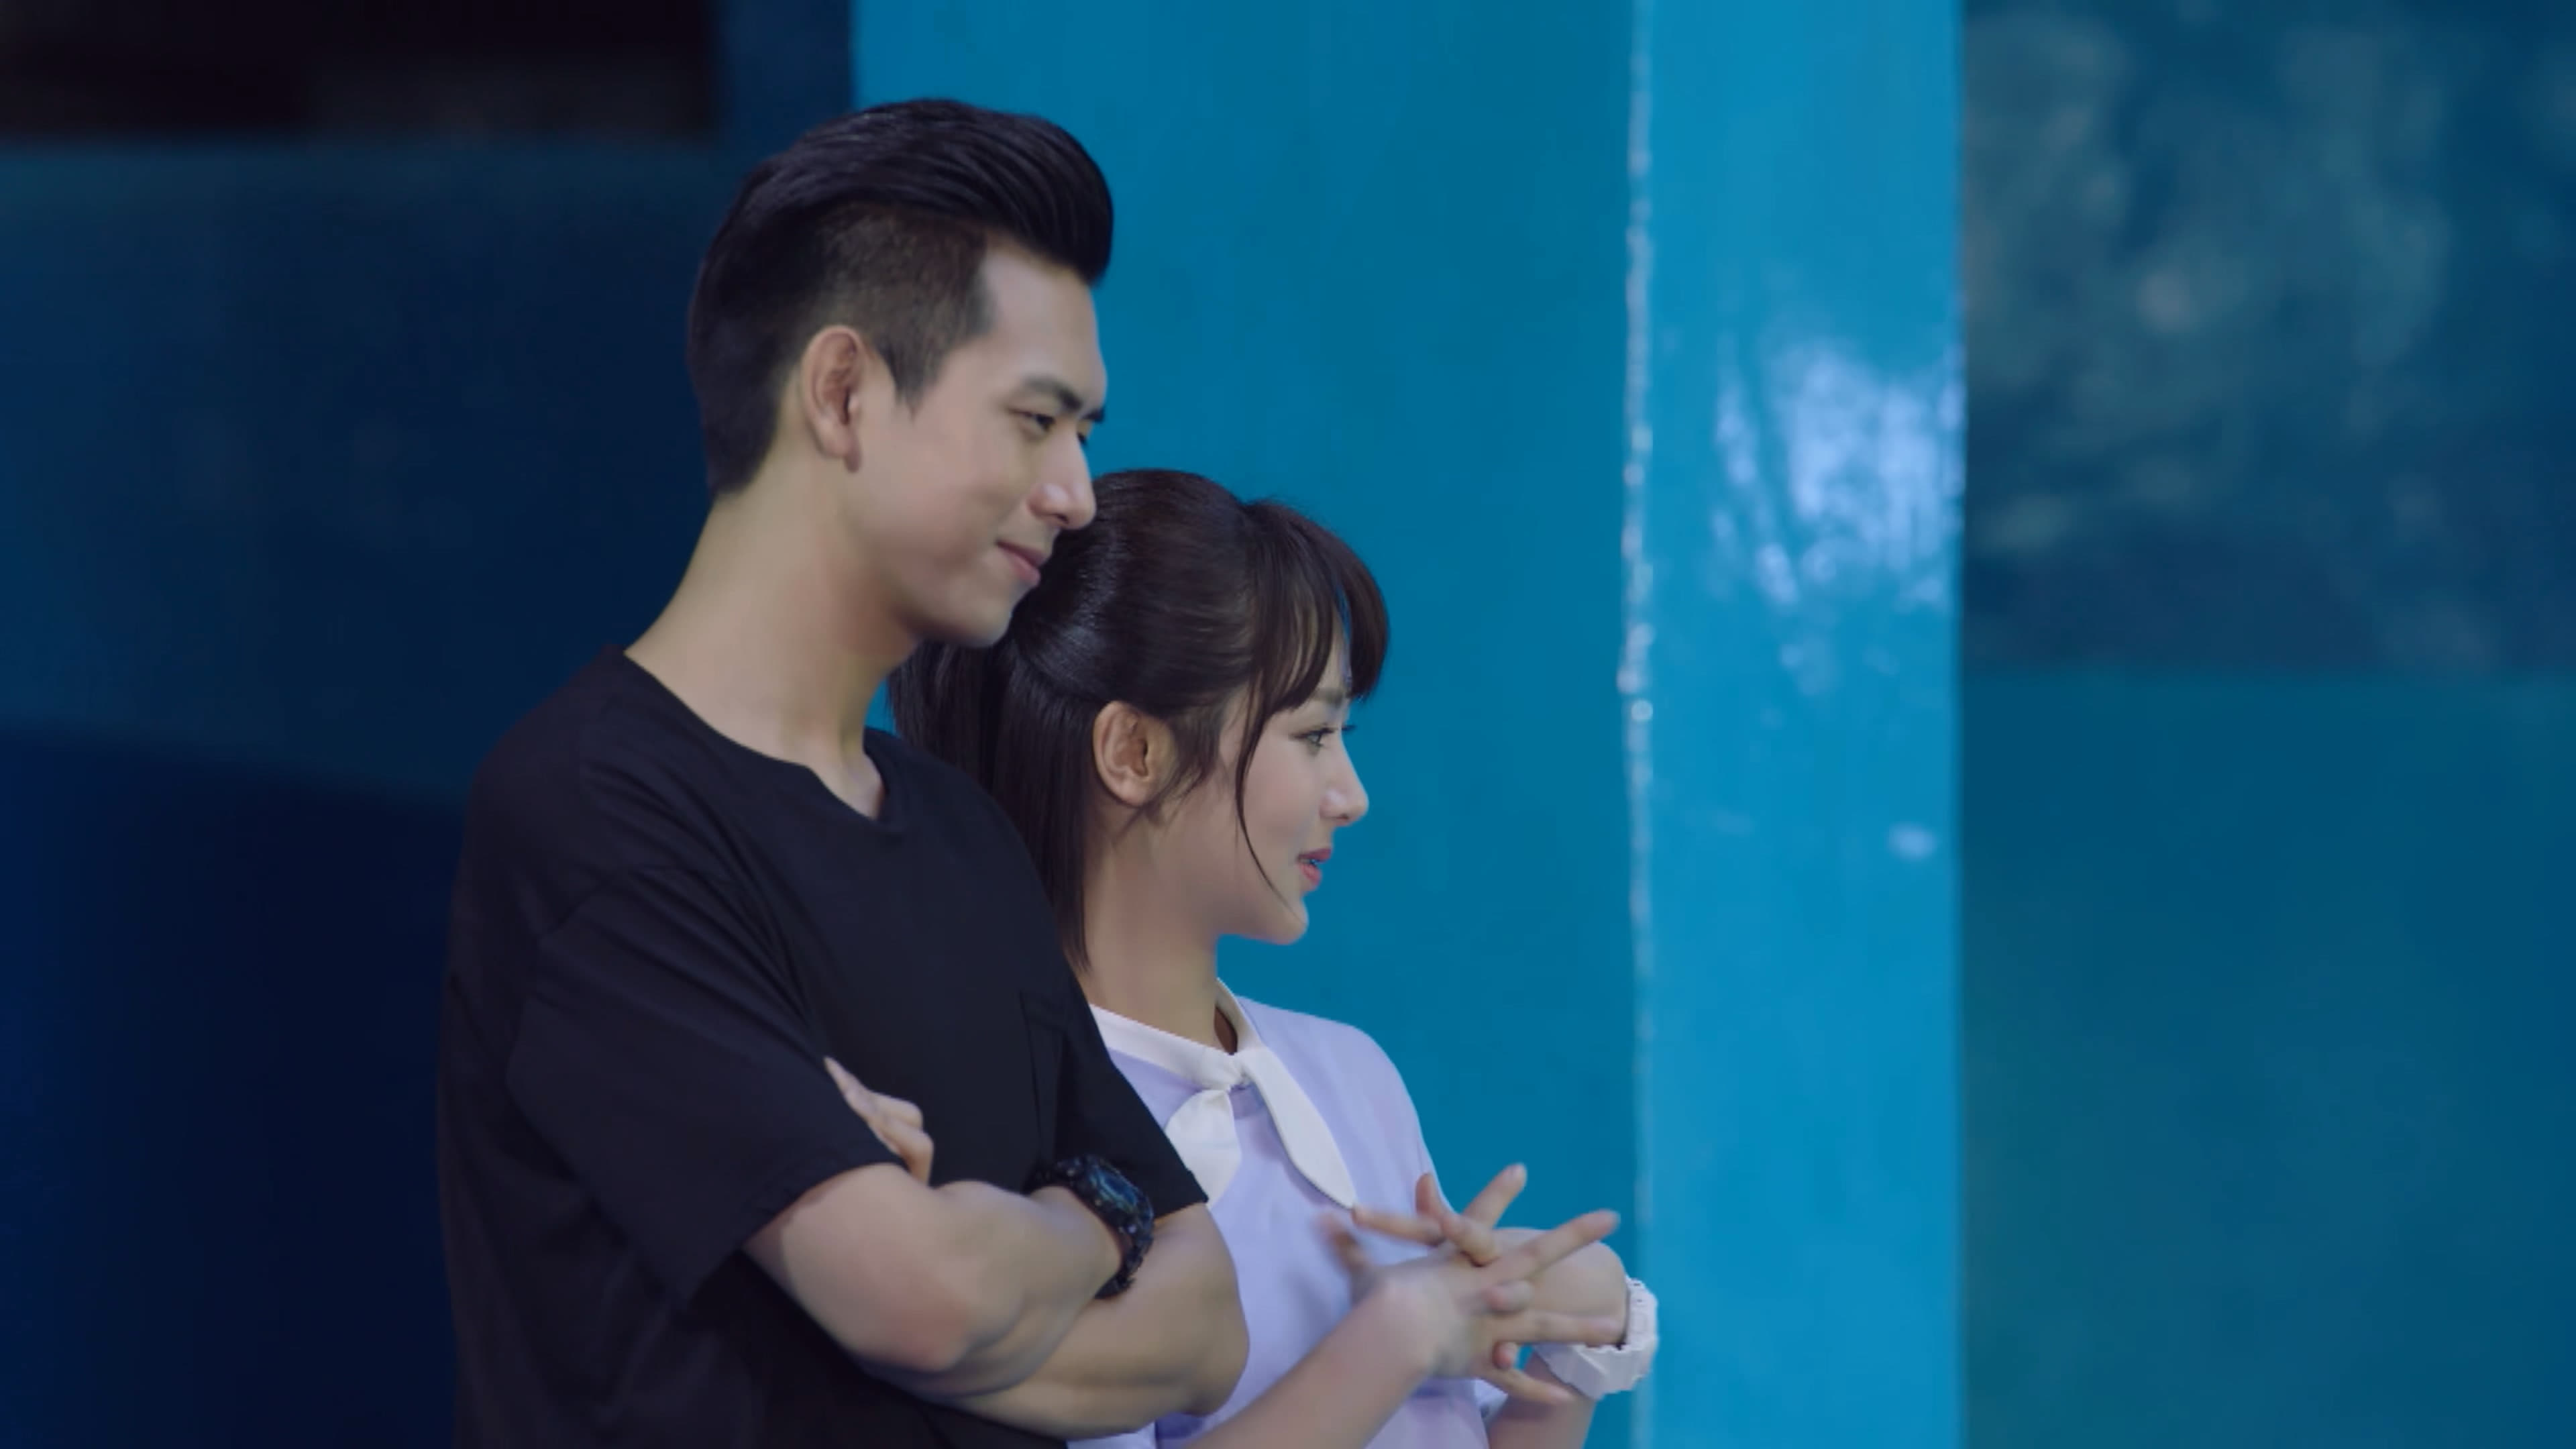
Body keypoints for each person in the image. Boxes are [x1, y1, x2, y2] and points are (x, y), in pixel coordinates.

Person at [435, 103, 1252, 1447]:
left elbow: (1209, 1326)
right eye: (1036, 421)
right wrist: (1094, 1224)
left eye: (1083, 433)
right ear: (843, 393)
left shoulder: (964, 834)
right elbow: (920, 1301)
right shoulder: (593, 809)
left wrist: (1061, 1221)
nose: (1076, 493)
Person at [889, 469, 1660, 1447]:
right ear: (1135, 753)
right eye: (1315, 734)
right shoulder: (1003, 1120)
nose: (1352, 795)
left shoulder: (1351, 1076)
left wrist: (1567, 1338)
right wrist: (1397, 1336)